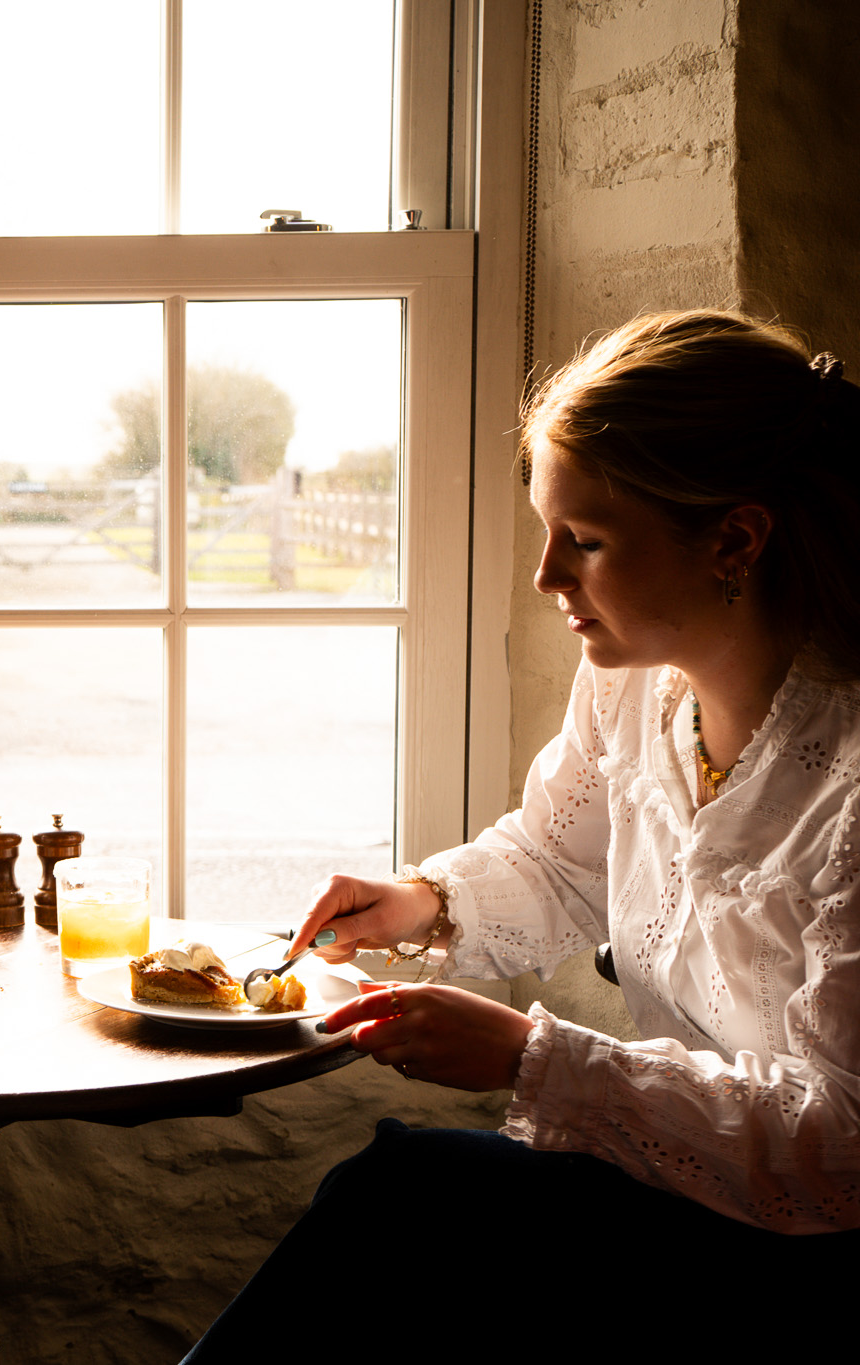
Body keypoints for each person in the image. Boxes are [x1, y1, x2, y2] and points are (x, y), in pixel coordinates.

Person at [186, 310, 860, 1361]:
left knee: (405, 1195)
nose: (548, 576)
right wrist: (419, 905)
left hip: (808, 1243)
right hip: (668, 1179)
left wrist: (528, 1058)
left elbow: (841, 1144)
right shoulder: (630, 693)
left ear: (733, 537)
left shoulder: (850, 786)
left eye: (583, 541)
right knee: (403, 1206)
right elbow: (555, 861)